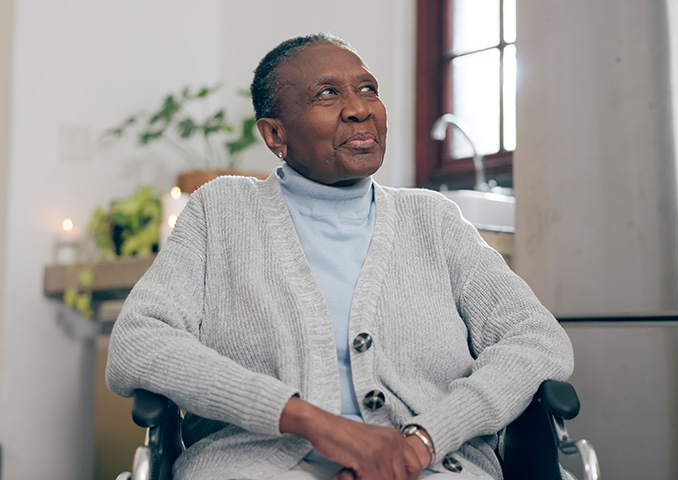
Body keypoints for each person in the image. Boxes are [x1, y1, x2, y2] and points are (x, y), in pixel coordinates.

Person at [106, 33, 574, 480]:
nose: (359, 109)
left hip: (432, 466)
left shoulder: (432, 220)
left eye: (368, 89)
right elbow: (139, 342)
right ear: (275, 135)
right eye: (327, 95)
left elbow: (536, 339)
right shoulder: (221, 211)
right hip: (255, 465)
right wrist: (312, 421)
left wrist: (423, 441)